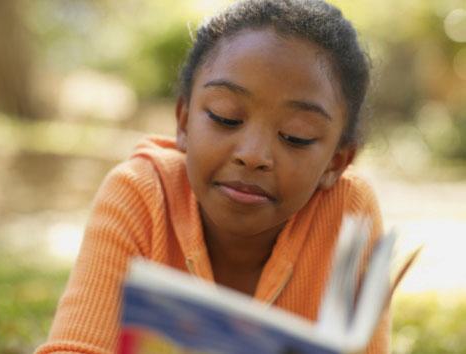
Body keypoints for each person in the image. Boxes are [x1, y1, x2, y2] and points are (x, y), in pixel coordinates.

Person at [36, 0, 389, 353]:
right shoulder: (141, 192)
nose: (252, 155)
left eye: (296, 136)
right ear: (184, 121)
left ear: (336, 162)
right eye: (226, 117)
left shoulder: (348, 213)